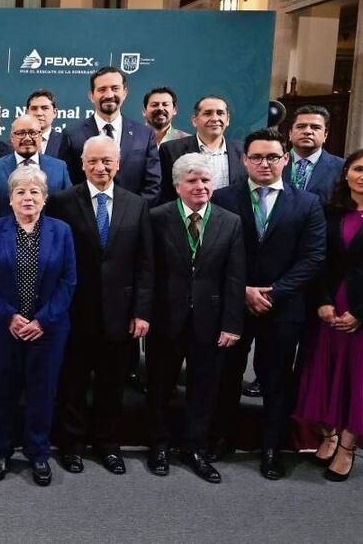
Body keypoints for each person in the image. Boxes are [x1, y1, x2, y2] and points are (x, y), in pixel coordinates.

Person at [209, 128, 326, 480]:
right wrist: (242, 290)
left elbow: (313, 257)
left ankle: (272, 448)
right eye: (256, 157)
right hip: (233, 304)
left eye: (272, 157)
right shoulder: (222, 198)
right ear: (244, 161)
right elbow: (211, 253)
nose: (264, 163)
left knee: (275, 380)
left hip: (283, 307)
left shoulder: (307, 203)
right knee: (226, 375)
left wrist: (274, 292)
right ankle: (222, 438)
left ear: (285, 159)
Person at [47, 135, 152, 475]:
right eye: (92, 161)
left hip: (121, 316)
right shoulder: (62, 202)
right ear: (82, 164)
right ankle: (72, 445)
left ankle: (107, 445)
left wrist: (141, 311)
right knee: (73, 383)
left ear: (118, 164)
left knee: (112, 385)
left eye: (107, 160)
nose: (100, 167)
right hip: (75, 312)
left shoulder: (136, 204)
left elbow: (145, 264)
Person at [146, 153, 244, 483]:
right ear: (177, 186)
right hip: (165, 319)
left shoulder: (229, 221)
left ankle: (195, 448)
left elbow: (234, 277)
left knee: (204, 389)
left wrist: (232, 323)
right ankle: (158, 445)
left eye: (205, 180)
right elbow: (148, 272)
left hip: (211, 321)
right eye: (192, 180)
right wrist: (143, 315)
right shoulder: (157, 217)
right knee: (160, 386)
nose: (200, 186)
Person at [294, 147, 363, 482]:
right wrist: (321, 300)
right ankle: (329, 435)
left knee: (357, 380)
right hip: (327, 310)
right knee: (325, 374)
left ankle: (347, 447)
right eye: (359, 169)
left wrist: (362, 312)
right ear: (346, 172)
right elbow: (316, 259)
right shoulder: (328, 212)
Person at [0, 165, 76, 485]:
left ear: (45, 198)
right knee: (3, 392)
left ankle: (38, 453)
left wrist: (42, 320)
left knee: (42, 392)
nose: (27, 197)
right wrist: (8, 315)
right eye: (20, 192)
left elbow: (68, 281)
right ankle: (1, 450)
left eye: (34, 191)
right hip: (3, 328)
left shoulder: (61, 231)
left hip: (48, 330)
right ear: (9, 199)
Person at [58, 66, 161, 201]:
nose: (109, 95)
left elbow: (153, 184)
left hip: (133, 218)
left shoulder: (145, 135)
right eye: (102, 89)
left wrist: (134, 212)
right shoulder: (72, 135)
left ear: (124, 92)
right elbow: (66, 183)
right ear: (91, 95)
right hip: (84, 217)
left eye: (115, 88)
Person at [0, 115, 71, 219]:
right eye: (21, 133)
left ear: (40, 136)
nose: (27, 138)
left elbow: (69, 209)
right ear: (12, 138)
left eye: (33, 133)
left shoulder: (59, 168)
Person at [158, 96, 244, 202]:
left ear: (227, 120)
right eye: (208, 113)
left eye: (220, 113)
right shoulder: (171, 150)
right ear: (195, 120)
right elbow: (165, 194)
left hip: (231, 217)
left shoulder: (244, 151)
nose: (215, 118)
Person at [283, 104, 345, 202]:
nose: (307, 131)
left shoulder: (341, 167)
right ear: (290, 133)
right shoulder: (273, 162)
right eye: (301, 126)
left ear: (325, 135)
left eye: (315, 127)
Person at [27, 89, 63, 158]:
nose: (39, 113)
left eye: (45, 108)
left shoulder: (64, 143)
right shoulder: (13, 144)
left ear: (55, 112)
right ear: (27, 112)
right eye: (34, 108)